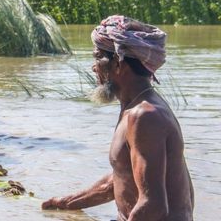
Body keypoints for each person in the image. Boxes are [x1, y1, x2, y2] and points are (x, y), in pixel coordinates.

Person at [42, 15, 194, 221]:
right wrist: (67, 203)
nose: (94, 67)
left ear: (118, 64)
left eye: (97, 57)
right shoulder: (136, 108)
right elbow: (123, 178)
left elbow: (154, 206)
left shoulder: (145, 116)